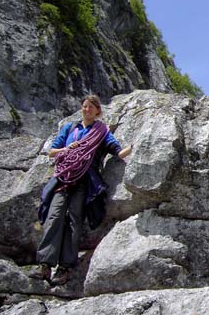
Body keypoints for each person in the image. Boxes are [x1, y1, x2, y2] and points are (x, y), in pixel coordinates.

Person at [29, 95, 132, 285]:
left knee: (74, 220)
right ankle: (45, 265)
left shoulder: (101, 131)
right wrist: (68, 149)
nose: (87, 110)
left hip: (85, 181)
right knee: (54, 217)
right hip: (64, 178)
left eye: (91, 107)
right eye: (84, 106)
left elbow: (115, 149)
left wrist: (131, 149)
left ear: (97, 111)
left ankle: (65, 267)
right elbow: (52, 152)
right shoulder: (70, 128)